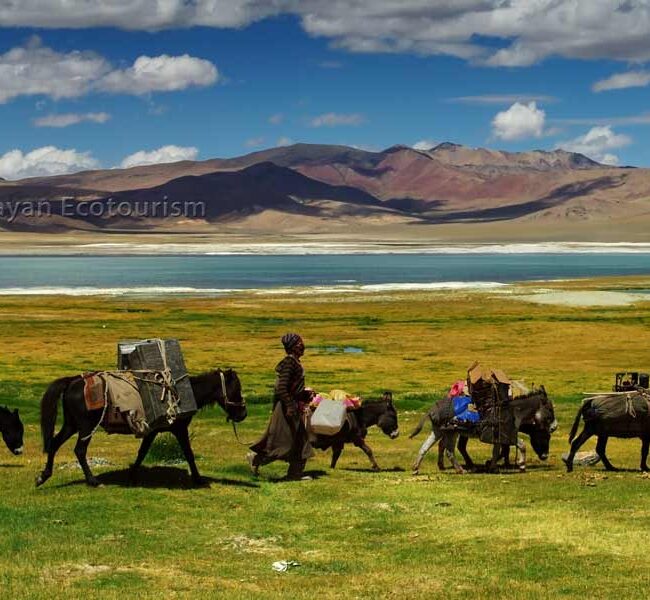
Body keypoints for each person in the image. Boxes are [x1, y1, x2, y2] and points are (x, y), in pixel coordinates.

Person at [248, 333, 314, 480]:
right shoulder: (289, 363)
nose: (302, 345)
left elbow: (291, 388)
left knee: (300, 441)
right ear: (292, 347)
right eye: (299, 343)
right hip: (286, 409)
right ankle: (255, 459)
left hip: (291, 407)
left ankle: (294, 474)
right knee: (282, 442)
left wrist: (304, 395)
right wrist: (290, 406)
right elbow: (282, 388)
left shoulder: (295, 362)